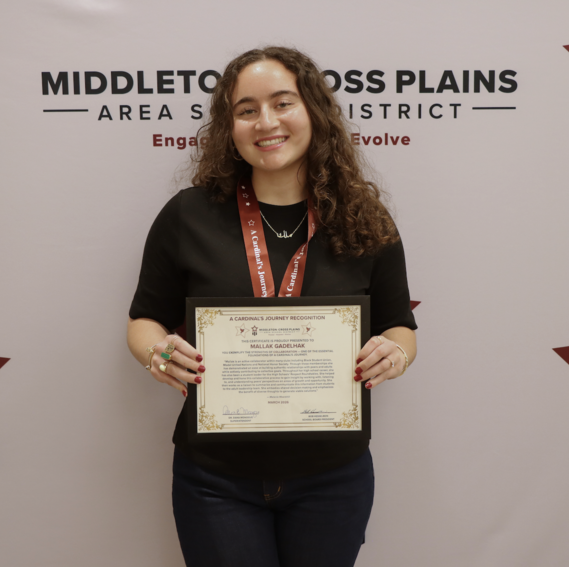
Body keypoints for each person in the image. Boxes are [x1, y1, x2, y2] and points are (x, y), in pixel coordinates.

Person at [127, 46, 417, 567]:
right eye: (246, 110)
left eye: (283, 103)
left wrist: (394, 353)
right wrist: (158, 354)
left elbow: (400, 325)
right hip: (215, 478)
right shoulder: (187, 215)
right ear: (230, 127)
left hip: (332, 477)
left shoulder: (364, 218)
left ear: (313, 112)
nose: (266, 122)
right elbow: (144, 319)